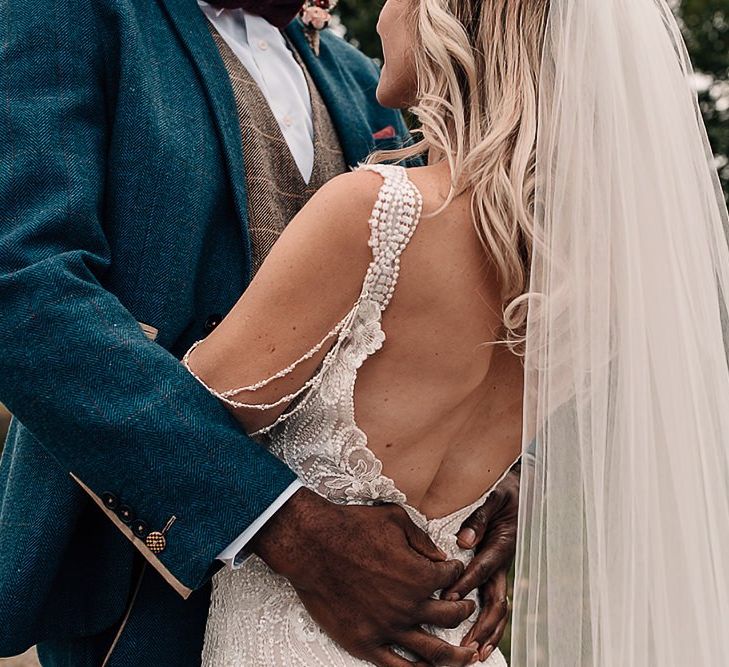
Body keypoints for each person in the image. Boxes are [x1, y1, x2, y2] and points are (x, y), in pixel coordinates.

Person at [0, 1, 519, 666]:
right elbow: (23, 286)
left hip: (385, 606)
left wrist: (484, 486)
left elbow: (467, 291)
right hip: (137, 577)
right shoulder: (68, 15)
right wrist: (282, 521)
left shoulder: (369, 79)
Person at [183, 0, 529, 664]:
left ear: (445, 19)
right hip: (448, 635)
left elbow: (189, 416)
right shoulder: (587, 271)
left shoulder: (376, 210)